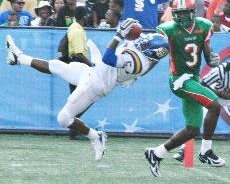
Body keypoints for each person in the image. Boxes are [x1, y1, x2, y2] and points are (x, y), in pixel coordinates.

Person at [5, 18, 169, 160]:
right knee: (57, 66)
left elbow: (109, 58)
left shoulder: (138, 62)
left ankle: (96, 136)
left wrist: (119, 34)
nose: (143, 41)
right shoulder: (147, 54)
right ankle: (18, 57)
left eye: (147, 43)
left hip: (97, 83)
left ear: (152, 52)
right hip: (94, 71)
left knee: (63, 118)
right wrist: (130, 25)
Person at [145, 0, 225, 177]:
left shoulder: (204, 26)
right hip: (179, 80)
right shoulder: (168, 30)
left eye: (184, 13)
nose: (181, 17)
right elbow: (154, 45)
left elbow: (208, 56)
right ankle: (206, 151)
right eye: (178, 14)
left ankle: (156, 153)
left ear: (192, 12)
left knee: (193, 129)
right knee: (214, 105)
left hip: (193, 79)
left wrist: (213, 60)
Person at [173, 62, 230, 162]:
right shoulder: (221, 71)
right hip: (213, 95)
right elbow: (202, 84)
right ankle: (184, 149)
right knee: (198, 120)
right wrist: (220, 93)